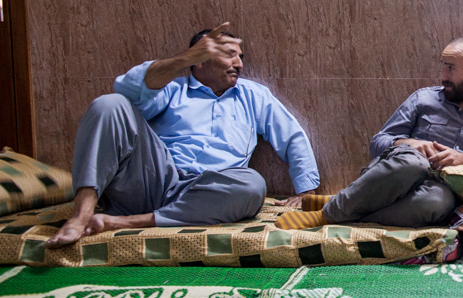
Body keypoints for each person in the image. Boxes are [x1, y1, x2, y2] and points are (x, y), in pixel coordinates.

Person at [47, 24, 319, 248]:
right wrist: (184, 59)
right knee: (109, 104)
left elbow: (291, 135)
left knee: (252, 185)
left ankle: (126, 222)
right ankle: (81, 215)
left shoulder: (253, 95)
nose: (238, 64)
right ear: (199, 61)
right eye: (229, 55)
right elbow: (127, 88)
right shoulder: (171, 90)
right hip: (154, 180)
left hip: (206, 192)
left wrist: (306, 190)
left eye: (240, 57)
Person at [274, 37, 463, 230]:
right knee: (412, 162)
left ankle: (342, 206)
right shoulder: (423, 99)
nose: (443, 77)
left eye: (451, 69)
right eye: (443, 67)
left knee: (439, 203)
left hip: (437, 192)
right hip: (396, 175)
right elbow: (377, 143)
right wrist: (409, 142)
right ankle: (328, 215)